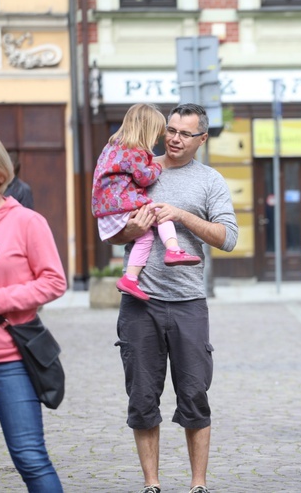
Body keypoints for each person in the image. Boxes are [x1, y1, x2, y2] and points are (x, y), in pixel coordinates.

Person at [107, 104, 238, 493]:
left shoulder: (210, 181)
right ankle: (152, 484)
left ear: (202, 139)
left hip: (188, 302)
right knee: (142, 397)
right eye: (171, 130)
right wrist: (130, 228)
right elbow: (111, 231)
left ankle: (198, 484)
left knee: (195, 394)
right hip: (139, 302)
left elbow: (228, 238)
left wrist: (181, 215)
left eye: (185, 133)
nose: (175, 138)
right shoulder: (141, 170)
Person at [0, 129, 67, 492]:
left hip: (9, 358)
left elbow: (54, 281)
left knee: (29, 456)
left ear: (1, 173)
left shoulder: (26, 222)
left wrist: (0, 299)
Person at [92, 103, 201, 301]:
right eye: (157, 134)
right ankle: (173, 250)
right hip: (120, 202)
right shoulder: (135, 151)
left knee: (145, 237)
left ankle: (130, 278)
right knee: (162, 213)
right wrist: (156, 168)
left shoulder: (112, 147)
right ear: (147, 131)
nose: (157, 139)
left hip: (107, 207)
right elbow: (144, 178)